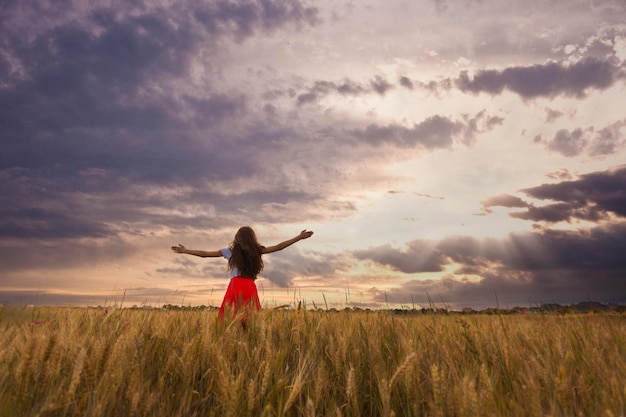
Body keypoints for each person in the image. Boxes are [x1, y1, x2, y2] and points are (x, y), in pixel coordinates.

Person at [171, 227, 313, 325]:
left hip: (235, 286)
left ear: (237, 238)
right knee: (250, 319)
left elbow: (204, 254)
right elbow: (279, 246)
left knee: (228, 318)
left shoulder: (230, 252)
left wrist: (185, 250)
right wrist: (299, 237)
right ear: (252, 238)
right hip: (250, 286)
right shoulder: (257, 250)